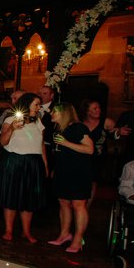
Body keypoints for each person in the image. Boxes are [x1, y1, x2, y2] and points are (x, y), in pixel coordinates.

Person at [0, 92, 48, 243]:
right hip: (15, 161)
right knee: (11, 196)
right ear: (27, 104)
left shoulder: (38, 122)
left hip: (33, 162)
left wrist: (45, 163)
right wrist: (11, 128)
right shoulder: (10, 119)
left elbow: (41, 144)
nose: (38, 107)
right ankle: (9, 230)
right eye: (36, 104)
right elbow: (3, 142)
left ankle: (26, 231)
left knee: (29, 199)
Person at [47, 103, 94, 253]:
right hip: (63, 171)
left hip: (78, 172)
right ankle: (64, 234)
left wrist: (66, 143)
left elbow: (89, 149)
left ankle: (78, 239)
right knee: (63, 202)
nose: (51, 114)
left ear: (65, 113)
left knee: (78, 204)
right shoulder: (60, 129)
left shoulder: (78, 127)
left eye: (54, 111)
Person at [80, 98, 116, 204]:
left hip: (98, 158)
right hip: (82, 158)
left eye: (99, 108)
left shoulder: (106, 122)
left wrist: (117, 133)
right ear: (87, 111)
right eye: (95, 108)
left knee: (92, 183)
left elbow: (114, 137)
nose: (98, 110)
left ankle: (86, 208)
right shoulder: (79, 124)